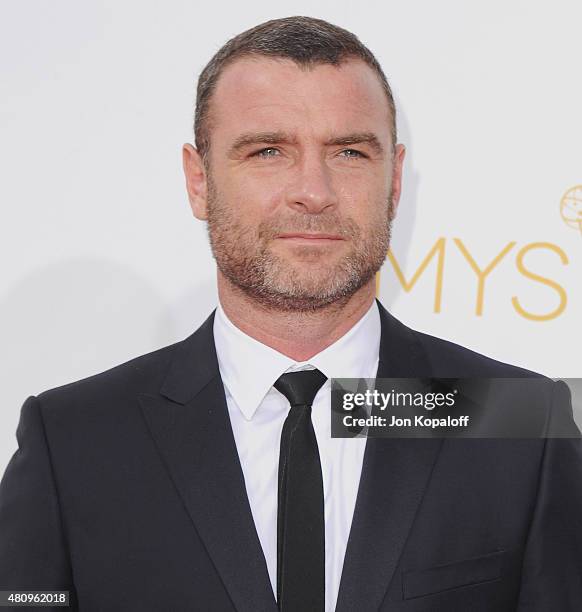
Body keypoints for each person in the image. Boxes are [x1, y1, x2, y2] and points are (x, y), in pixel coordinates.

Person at [0, 16, 581, 612]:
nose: (314, 190)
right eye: (268, 151)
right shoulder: (73, 440)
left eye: (350, 151)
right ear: (199, 181)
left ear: (396, 179)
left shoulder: (517, 422)